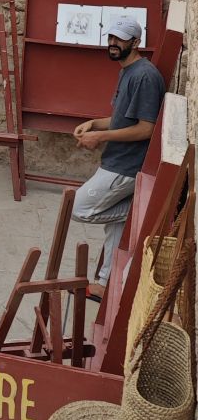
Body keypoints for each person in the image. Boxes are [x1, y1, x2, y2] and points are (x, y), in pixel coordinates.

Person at [71, 15, 166, 299]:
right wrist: (94, 124)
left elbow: (146, 128)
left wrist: (101, 137)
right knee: (114, 229)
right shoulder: (128, 70)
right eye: (111, 37)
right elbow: (122, 118)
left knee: (78, 208)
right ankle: (104, 283)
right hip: (118, 160)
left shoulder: (144, 76)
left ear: (136, 42)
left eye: (120, 39)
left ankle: (137, 211)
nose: (113, 43)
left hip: (126, 166)